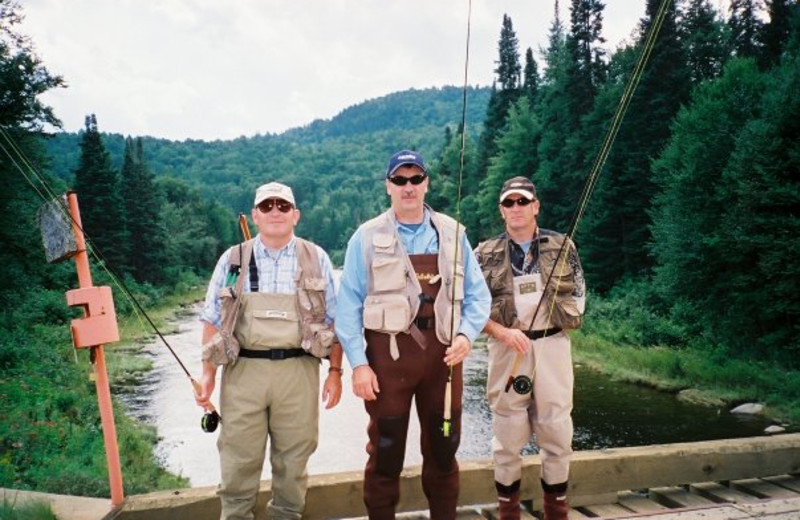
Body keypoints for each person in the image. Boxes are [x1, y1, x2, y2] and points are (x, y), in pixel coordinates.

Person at [336, 150, 491, 519]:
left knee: (443, 449)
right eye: (400, 180)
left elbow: (478, 295)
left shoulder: (454, 234)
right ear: (388, 186)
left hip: (444, 360)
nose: (409, 187)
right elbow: (347, 309)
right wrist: (358, 366)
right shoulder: (366, 237)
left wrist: (467, 336)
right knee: (385, 450)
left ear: (427, 184)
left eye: (416, 179)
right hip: (387, 361)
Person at [195, 181, 343, 520]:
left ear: (296, 215)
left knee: (294, 461)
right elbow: (211, 320)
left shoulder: (316, 257)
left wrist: (335, 373)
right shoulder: (233, 260)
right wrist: (207, 375)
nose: (275, 211)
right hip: (243, 372)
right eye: (267, 206)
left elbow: (337, 322)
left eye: (282, 206)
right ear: (255, 216)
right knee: (237, 460)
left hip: (300, 371)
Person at [476, 176, 586, 520]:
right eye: (509, 203)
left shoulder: (563, 245)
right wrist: (502, 332)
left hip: (552, 346)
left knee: (556, 430)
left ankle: (556, 511)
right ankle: (509, 512)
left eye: (522, 201)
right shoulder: (484, 252)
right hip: (507, 349)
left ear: (535, 206)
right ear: (501, 210)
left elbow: (580, 294)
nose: (516, 208)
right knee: (507, 436)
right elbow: (471, 309)